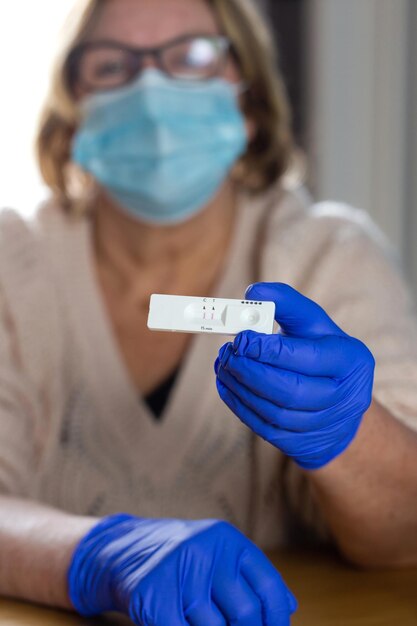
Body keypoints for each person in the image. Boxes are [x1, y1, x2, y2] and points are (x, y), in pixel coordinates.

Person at [0, 0, 416, 623]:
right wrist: (90, 556)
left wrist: (349, 434)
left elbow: (403, 542)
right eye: (113, 65)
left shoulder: (331, 258)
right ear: (72, 113)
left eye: (192, 57)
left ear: (247, 103)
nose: (152, 88)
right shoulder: (11, 265)